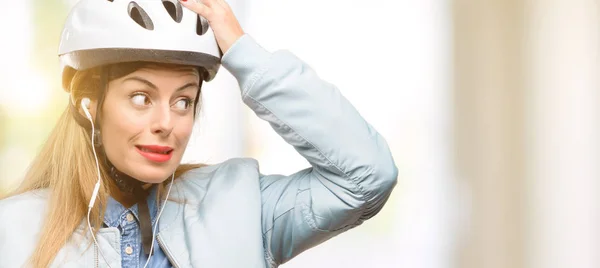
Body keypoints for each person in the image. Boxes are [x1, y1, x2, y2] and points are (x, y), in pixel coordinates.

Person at [0, 0, 398, 267]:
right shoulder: (14, 230)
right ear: (88, 105)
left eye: (183, 101)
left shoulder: (240, 208)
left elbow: (367, 176)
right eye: (141, 97)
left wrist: (243, 53)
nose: (167, 123)